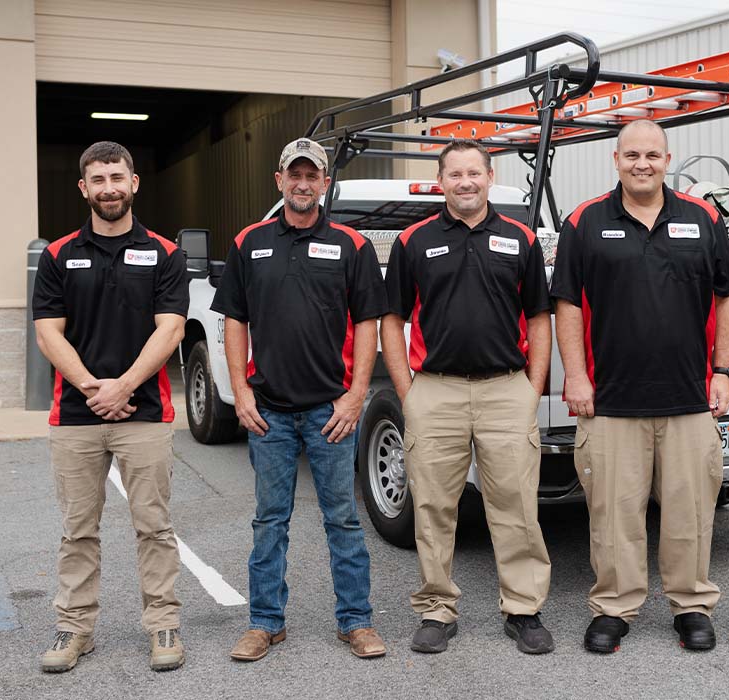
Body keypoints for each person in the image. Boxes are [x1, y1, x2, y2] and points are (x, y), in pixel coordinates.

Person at [552, 120, 729, 653]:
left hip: (689, 397)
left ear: (667, 159)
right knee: (614, 514)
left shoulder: (702, 218)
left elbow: (728, 298)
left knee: (691, 512)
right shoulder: (585, 222)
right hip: (610, 401)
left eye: (652, 154)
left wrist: (722, 371)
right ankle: (614, 607)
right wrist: (577, 374)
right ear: (615, 160)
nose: (642, 163)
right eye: (632, 154)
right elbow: (565, 303)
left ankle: (692, 605)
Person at [213, 138, 388, 661]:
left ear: (325, 183)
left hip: (330, 410)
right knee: (270, 520)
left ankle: (356, 622)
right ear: (279, 181)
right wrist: (241, 393)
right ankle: (265, 622)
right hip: (268, 411)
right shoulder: (250, 242)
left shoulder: (352, 245)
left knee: (344, 519)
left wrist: (356, 395)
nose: (304, 183)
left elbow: (367, 324)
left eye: (313, 175)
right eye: (296, 175)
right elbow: (234, 321)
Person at [380, 139, 554, 655]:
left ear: (490, 176)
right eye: (455, 174)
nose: (465, 182)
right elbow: (393, 319)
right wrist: (408, 392)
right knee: (433, 506)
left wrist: (533, 388)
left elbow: (539, 318)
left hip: (506, 390)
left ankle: (523, 609)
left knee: (517, 505)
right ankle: (437, 609)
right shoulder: (413, 241)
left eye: (474, 173)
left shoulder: (520, 238)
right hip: (436, 391)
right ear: (441, 181)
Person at [32, 141, 189, 673]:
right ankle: (74, 629)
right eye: (98, 180)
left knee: (154, 527)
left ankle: (163, 624)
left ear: (134, 183)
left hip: (144, 415)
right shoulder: (58, 256)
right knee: (78, 530)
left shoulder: (167, 254)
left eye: (116, 178)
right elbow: (48, 333)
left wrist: (123, 386)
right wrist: (93, 389)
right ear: (84, 188)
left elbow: (170, 329)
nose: (109, 188)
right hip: (75, 418)